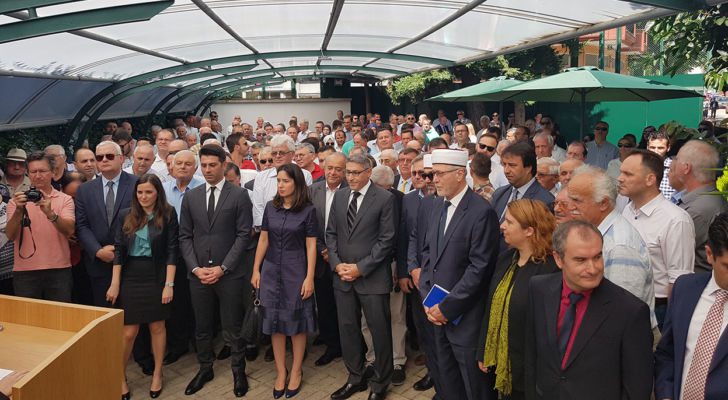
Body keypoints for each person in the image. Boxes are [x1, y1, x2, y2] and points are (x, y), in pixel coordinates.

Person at [524, 221, 654, 400]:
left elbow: (637, 389)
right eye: (581, 260)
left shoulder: (630, 311)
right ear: (558, 259)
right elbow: (531, 358)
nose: (592, 269)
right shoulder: (539, 289)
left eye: (597, 257)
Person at [419, 149, 500, 400]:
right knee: (447, 382)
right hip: (436, 315)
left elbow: (479, 269)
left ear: (459, 174)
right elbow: (428, 255)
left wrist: (448, 307)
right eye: (433, 174)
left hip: (466, 319)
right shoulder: (437, 206)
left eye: (439, 174)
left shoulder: (481, 211)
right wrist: (427, 299)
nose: (434, 179)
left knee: (474, 387)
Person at [179, 144, 253, 397]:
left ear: (223, 165)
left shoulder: (239, 195)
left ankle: (238, 370)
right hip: (198, 274)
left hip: (229, 274)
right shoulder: (191, 197)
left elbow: (243, 235)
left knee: (232, 326)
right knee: (202, 325)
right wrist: (195, 268)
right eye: (204, 165)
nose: (208, 169)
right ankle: (205, 368)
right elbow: (185, 236)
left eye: (212, 165)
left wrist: (223, 267)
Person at [326, 154, 396, 400]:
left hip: (372, 278)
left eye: (356, 172)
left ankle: (380, 383)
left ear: (368, 172)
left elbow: (386, 240)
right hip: (342, 277)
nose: (351, 177)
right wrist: (337, 265)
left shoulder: (385, 198)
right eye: (348, 172)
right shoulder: (340, 196)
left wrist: (360, 268)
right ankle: (355, 377)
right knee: (348, 329)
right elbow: (331, 234)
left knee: (380, 331)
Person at [477, 199, 559, 400]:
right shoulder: (506, 259)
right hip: (503, 367)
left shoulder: (551, 270)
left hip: (532, 374)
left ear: (529, 230)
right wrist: (483, 351)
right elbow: (490, 307)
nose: (502, 226)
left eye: (509, 222)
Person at [105, 174, 178, 399]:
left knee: (157, 327)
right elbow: (119, 250)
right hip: (131, 275)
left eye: (148, 192)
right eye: (140, 192)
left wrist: (169, 284)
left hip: (157, 274)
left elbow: (172, 250)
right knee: (129, 332)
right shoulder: (126, 214)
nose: (144, 196)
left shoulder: (168, 213)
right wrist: (115, 283)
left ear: (158, 193)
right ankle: (119, 376)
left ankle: (157, 373)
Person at [249, 163, 317, 398]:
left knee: (297, 324)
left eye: (285, 181)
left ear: (297, 184)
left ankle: (296, 370)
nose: (280, 185)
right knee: (275, 324)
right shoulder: (271, 207)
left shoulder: (308, 210)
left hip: (296, 270)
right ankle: (281, 371)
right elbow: (263, 240)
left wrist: (309, 277)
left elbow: (311, 245)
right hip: (270, 271)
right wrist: (256, 269)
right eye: (278, 181)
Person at [567, 166, 658, 335]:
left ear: (603, 203)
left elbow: (621, 312)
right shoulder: (598, 233)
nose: (569, 206)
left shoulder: (620, 246)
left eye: (577, 200)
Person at [655, 211, 728, 400]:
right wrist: (666, 394)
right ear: (709, 254)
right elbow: (667, 352)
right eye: (727, 266)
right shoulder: (685, 289)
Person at [619, 149, 695, 329]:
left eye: (628, 174)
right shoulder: (628, 209)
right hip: (625, 302)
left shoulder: (676, 220)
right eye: (621, 172)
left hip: (658, 309)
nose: (620, 178)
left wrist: (671, 326)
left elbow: (679, 281)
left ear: (650, 179)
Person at [6, 151, 75, 301]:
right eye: (33, 171)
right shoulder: (16, 201)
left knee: (59, 313)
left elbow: (69, 230)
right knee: (28, 315)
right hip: (25, 271)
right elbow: (10, 235)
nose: (38, 175)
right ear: (28, 173)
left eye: (42, 171)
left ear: (53, 172)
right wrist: (19, 210)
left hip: (59, 269)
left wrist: (51, 214)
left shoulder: (65, 199)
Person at [76, 141, 138, 306]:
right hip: (99, 264)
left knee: (132, 316)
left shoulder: (137, 184)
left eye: (109, 156)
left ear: (121, 159)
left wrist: (120, 250)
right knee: (105, 314)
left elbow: (143, 220)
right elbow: (82, 225)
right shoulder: (85, 190)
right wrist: (97, 251)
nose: (104, 160)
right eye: (99, 157)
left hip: (131, 261)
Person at [309, 153, 347, 367]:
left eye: (338, 169)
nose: (333, 172)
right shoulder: (312, 190)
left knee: (344, 305)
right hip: (320, 257)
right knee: (324, 303)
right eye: (329, 168)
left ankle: (347, 344)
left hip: (343, 259)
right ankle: (331, 344)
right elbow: (308, 224)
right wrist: (323, 249)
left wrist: (333, 253)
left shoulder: (350, 190)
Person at [669, 140, 728, 273]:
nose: (673, 162)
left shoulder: (700, 208)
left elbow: (671, 250)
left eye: (677, 159)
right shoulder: (702, 200)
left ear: (686, 168)